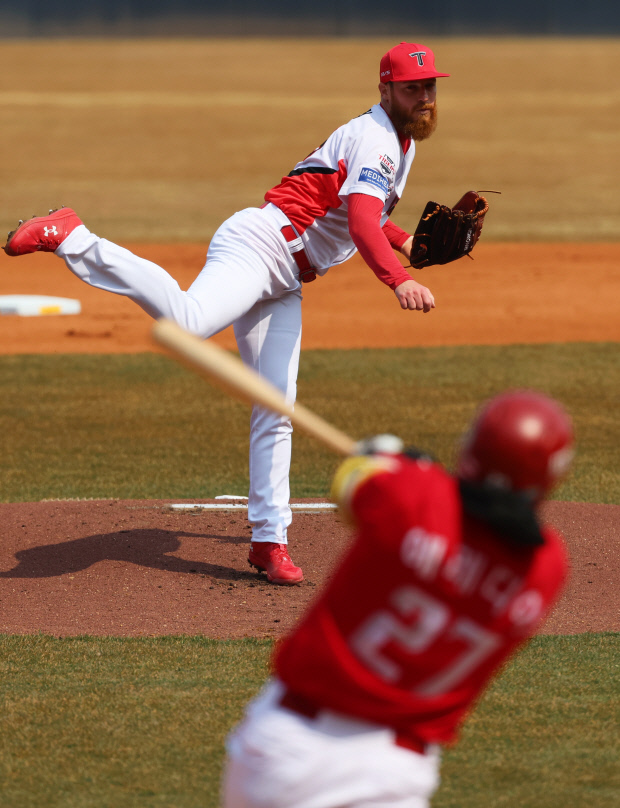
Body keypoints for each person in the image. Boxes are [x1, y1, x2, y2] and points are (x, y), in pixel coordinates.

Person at [3, 42, 448, 585]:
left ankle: (269, 541)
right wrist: (399, 279)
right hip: (259, 246)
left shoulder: (399, 141)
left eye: (429, 86)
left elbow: (362, 209)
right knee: (190, 321)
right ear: (386, 90)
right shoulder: (378, 139)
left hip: (285, 276)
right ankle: (74, 236)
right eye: (411, 88)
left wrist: (406, 244)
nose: (424, 97)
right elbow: (359, 223)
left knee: (276, 406)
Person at [221, 389, 575, 808]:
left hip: (285, 748)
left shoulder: (412, 494)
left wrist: (385, 458)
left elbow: (350, 485)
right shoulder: (546, 570)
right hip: (395, 776)